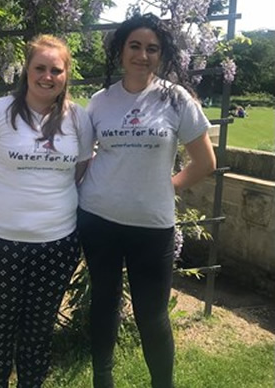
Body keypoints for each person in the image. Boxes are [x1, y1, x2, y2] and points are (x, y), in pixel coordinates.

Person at [77, 13, 216, 388]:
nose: (142, 55)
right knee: (103, 304)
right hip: (98, 217)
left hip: (152, 225)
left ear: (162, 54)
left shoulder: (175, 98)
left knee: (152, 314)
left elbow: (205, 162)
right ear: (121, 51)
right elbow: (84, 156)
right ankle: (101, 379)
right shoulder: (100, 101)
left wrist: (166, 185)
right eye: (134, 46)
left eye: (152, 48)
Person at [0, 35, 94, 387]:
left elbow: (80, 168)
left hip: (56, 244)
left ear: (66, 74)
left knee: (39, 334)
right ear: (27, 70)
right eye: (40, 68)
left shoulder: (78, 119)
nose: (47, 76)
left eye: (56, 69)